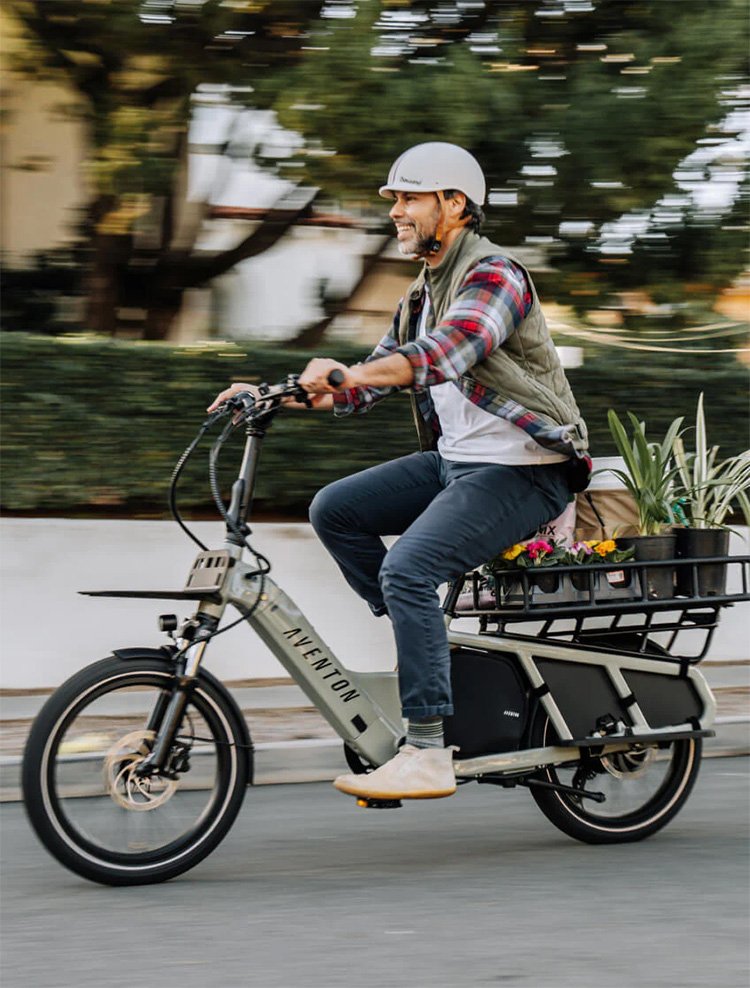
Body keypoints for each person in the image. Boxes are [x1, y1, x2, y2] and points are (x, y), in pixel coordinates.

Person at [209, 142, 589, 803]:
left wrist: (351, 373)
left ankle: (427, 751)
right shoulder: (421, 292)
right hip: (459, 465)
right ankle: (424, 649)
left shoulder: (496, 275)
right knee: (336, 510)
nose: (397, 212)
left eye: (410, 198)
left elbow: (444, 354)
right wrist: (275, 392)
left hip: (526, 469)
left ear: (454, 205)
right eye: (395, 201)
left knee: (408, 569)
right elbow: (360, 384)